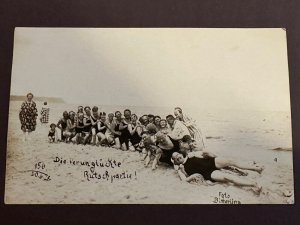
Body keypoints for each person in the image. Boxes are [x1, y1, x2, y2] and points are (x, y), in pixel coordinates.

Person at [171, 152, 263, 193]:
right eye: (175, 157)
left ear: (181, 154)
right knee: (228, 178)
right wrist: (191, 175)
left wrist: (205, 154)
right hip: (208, 174)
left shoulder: (191, 155)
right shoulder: (180, 169)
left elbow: (204, 153)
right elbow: (184, 180)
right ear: (175, 161)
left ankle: (256, 169)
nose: (177, 157)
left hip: (212, 162)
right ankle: (253, 184)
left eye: (177, 154)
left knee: (231, 161)